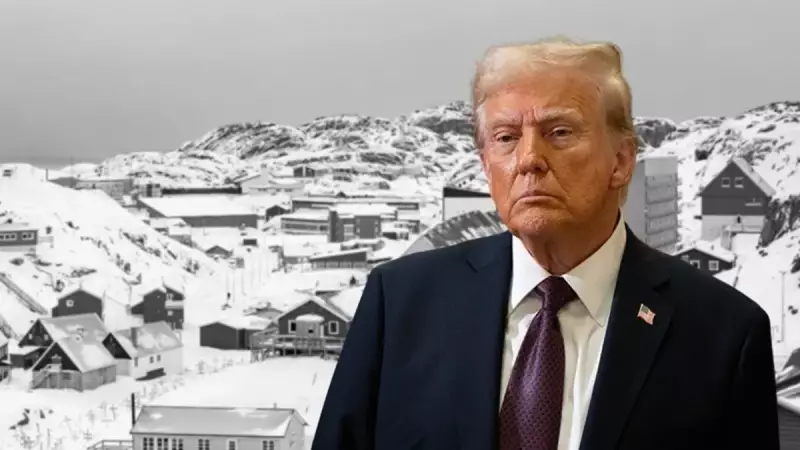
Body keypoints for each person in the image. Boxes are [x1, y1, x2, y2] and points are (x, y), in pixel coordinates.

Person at [311, 38, 779, 450]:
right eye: (506, 138)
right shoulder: (400, 304)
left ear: (621, 161)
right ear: (486, 165)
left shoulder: (723, 336)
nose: (529, 159)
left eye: (559, 133)